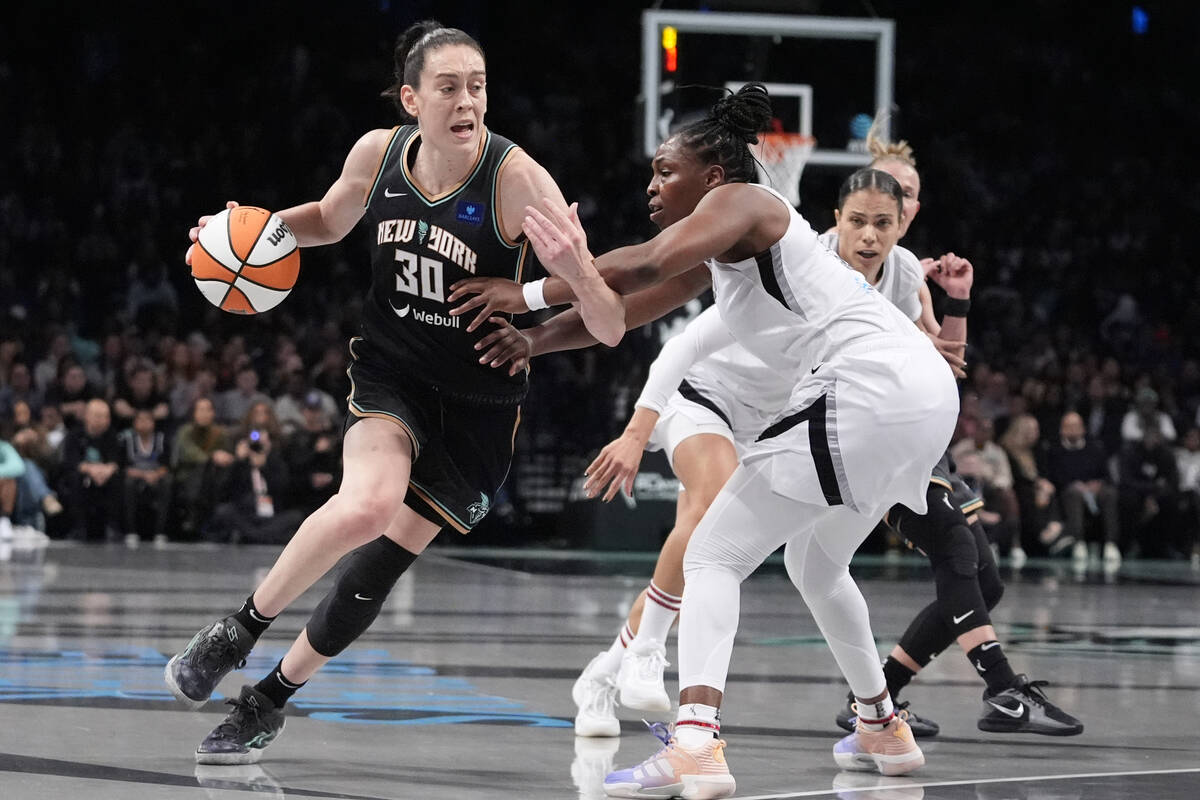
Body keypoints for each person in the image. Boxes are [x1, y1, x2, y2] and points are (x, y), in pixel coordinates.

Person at [461, 84, 956, 794]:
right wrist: (533, 342)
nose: (653, 184)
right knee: (815, 566)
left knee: (714, 553)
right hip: (920, 401)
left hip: (868, 391)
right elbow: (622, 309)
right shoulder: (728, 249)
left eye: (666, 171)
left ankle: (694, 741)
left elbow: (644, 261)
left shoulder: (747, 204)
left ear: (714, 178)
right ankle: (882, 724)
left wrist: (532, 291)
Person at [163, 19, 623, 766]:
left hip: (478, 409)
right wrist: (243, 233)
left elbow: (607, 324)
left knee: (375, 571)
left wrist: (558, 277)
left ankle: (268, 700)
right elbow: (325, 220)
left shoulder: (516, 180)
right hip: (394, 371)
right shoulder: (377, 155)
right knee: (370, 502)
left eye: (477, 86)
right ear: (412, 98)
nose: (467, 99)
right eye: (448, 86)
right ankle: (236, 631)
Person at [1043, 410, 1120, 565]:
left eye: (1076, 426)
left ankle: (1111, 544)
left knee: (1110, 493)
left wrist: (1097, 484)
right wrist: (1076, 485)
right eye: (1068, 426)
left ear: (1083, 428)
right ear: (1061, 429)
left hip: (1094, 491)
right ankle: (1078, 542)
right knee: (1074, 493)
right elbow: (1053, 477)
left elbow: (1106, 476)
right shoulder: (1055, 451)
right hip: (1069, 492)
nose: (1072, 429)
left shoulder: (1095, 448)